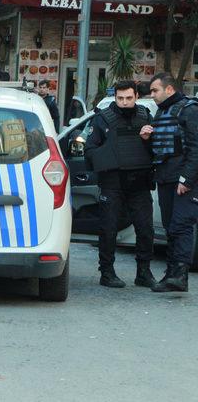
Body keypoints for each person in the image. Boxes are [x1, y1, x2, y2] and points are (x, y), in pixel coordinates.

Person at [84, 80, 155, 288]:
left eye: (129, 98)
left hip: (139, 182)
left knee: (145, 229)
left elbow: (156, 150)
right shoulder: (103, 119)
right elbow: (90, 151)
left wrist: (147, 140)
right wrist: (110, 156)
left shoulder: (145, 116)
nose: (124, 102)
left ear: (136, 97)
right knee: (109, 229)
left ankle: (143, 272)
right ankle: (107, 272)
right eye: (120, 98)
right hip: (113, 182)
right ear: (115, 97)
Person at [141, 72, 198, 292]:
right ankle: (171, 275)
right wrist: (147, 139)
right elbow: (161, 148)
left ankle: (180, 276)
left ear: (170, 89)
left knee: (181, 226)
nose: (152, 95)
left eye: (155, 90)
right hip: (165, 177)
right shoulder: (163, 111)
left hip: (184, 179)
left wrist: (187, 179)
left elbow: (195, 148)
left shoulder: (189, 109)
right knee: (170, 227)